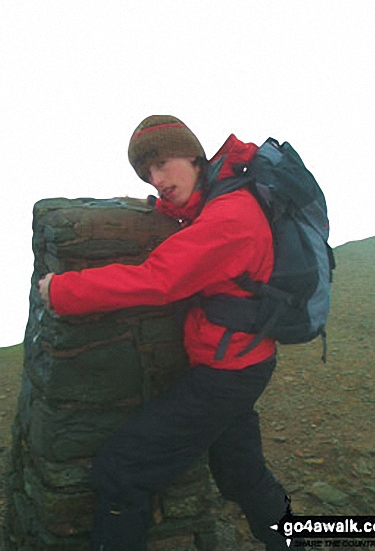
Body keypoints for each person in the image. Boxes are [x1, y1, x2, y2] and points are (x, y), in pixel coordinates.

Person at [38, 115, 291, 551]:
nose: (157, 180)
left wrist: (62, 290)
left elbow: (159, 280)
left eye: (162, 163)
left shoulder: (230, 216)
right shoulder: (222, 196)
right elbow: (192, 220)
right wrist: (150, 208)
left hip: (225, 372)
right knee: (240, 472)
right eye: (147, 173)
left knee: (121, 470)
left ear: (192, 155)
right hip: (245, 359)